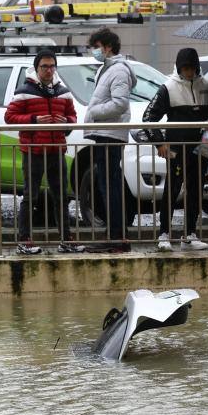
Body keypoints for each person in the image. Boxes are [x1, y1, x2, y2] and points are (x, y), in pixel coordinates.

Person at [4, 49, 85, 255]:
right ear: (36, 68)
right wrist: (33, 120)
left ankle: (66, 239)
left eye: (51, 66)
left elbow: (72, 117)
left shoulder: (63, 92)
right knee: (30, 196)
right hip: (33, 151)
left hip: (57, 150)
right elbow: (10, 117)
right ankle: (24, 240)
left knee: (61, 197)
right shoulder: (24, 90)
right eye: (44, 66)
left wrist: (66, 123)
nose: (48, 70)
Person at [143, 47, 208, 252]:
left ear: (198, 68)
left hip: (201, 149)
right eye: (185, 68)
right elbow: (148, 118)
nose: (189, 72)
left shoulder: (206, 86)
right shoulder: (168, 88)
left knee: (196, 190)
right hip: (175, 150)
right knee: (172, 190)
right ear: (179, 68)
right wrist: (160, 143)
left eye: (192, 68)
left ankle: (189, 234)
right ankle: (163, 234)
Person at [82, 28, 137, 254]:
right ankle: (115, 236)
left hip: (110, 134)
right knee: (107, 186)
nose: (94, 51)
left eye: (96, 47)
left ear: (108, 47)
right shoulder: (107, 69)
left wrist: (95, 112)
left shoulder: (118, 71)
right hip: (105, 133)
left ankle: (117, 237)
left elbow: (120, 103)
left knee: (111, 187)